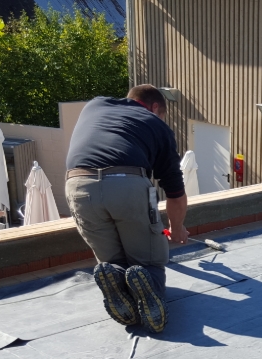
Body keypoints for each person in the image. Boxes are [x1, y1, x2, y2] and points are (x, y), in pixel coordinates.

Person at [65, 85, 188, 333]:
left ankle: (118, 287)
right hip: (127, 184)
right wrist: (176, 229)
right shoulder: (158, 126)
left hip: (78, 186)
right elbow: (175, 192)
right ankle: (151, 294)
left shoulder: (95, 104)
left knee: (112, 260)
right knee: (149, 261)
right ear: (155, 107)